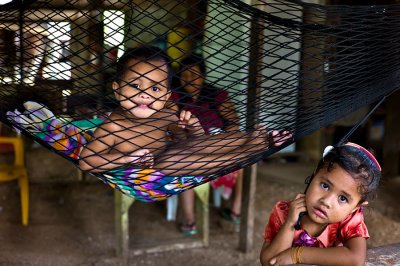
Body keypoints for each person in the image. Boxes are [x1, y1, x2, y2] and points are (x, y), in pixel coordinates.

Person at [79, 46, 282, 179]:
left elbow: (194, 143)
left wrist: (193, 127)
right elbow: (87, 160)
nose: (144, 95)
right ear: (117, 89)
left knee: (195, 146)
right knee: (168, 162)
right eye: (135, 85)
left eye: (155, 89)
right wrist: (126, 159)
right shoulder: (114, 126)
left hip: (181, 156)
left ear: (167, 96)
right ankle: (249, 152)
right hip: (155, 171)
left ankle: (254, 139)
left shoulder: (165, 115)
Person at [259, 142, 381, 266]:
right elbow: (268, 262)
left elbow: (356, 258)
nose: (326, 201)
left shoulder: (348, 221)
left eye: (343, 198)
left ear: (355, 207)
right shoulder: (284, 212)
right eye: (325, 186)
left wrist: (297, 254)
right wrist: (290, 223)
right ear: (314, 174)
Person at [170, 54, 247, 234]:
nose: (189, 79)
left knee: (243, 158)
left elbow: (234, 122)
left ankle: (235, 210)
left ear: (203, 76)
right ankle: (189, 220)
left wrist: (223, 139)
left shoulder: (215, 95)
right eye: (184, 75)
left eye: (194, 74)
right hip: (189, 145)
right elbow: (170, 121)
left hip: (216, 144)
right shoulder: (175, 96)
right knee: (184, 163)